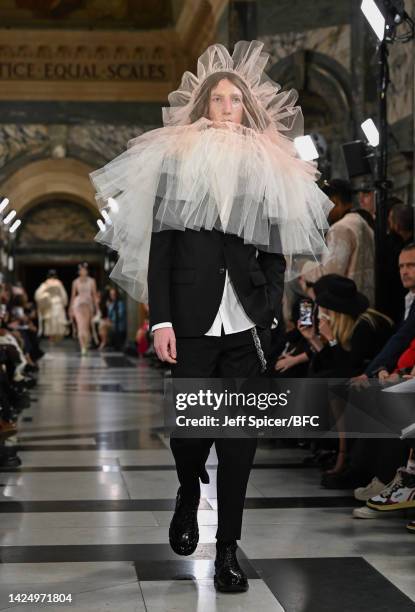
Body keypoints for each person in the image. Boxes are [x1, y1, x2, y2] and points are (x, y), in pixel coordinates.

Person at [90, 40, 332, 593]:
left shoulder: (267, 166)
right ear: (204, 107)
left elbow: (275, 251)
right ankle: (185, 490)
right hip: (193, 321)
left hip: (247, 323)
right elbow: (162, 249)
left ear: (247, 107)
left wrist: (270, 308)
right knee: (191, 434)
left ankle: (227, 552)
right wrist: (162, 321)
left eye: (234, 99)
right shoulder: (176, 163)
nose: (227, 106)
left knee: (239, 441)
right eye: (217, 99)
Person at [305, 178, 375, 305]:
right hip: (365, 303)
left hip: (347, 310)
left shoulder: (341, 229)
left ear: (334, 202)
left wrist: (303, 267)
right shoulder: (361, 223)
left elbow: (330, 276)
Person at [69, 263, 97, 356]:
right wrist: (70, 308)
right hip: (78, 305)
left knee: (86, 326)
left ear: (87, 271)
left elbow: (94, 295)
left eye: (84, 269)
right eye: (81, 270)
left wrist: (97, 308)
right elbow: (73, 296)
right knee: (80, 326)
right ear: (79, 271)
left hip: (88, 305)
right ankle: (82, 347)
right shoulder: (75, 282)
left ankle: (85, 345)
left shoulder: (92, 281)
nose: (83, 271)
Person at [34, 269, 69, 342]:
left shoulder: (46, 283)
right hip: (58, 302)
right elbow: (63, 294)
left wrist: (45, 298)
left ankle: (51, 339)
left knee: (51, 321)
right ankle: (57, 339)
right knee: (58, 321)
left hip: (50, 304)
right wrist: (64, 302)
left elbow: (38, 293)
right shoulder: (58, 283)